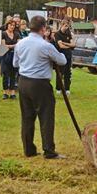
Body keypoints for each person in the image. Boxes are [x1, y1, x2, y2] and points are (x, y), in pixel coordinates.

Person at [15, 15, 67, 159]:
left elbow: (15, 64)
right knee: (46, 117)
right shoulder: (45, 46)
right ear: (43, 28)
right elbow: (62, 60)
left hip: (23, 81)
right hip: (40, 84)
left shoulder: (20, 43)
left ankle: (29, 150)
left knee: (27, 117)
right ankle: (49, 150)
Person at [53, 19, 75, 95]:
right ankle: (58, 88)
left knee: (68, 72)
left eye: (68, 26)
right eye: (65, 26)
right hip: (60, 55)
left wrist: (65, 43)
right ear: (62, 25)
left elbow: (73, 44)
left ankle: (67, 89)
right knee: (60, 72)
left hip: (68, 56)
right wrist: (69, 46)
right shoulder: (57, 34)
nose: (66, 28)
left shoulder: (69, 34)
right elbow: (60, 46)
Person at [0, 18, 20, 100]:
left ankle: (12, 92)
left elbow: (19, 45)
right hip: (5, 56)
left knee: (13, 74)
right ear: (7, 25)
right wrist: (13, 46)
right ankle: (5, 92)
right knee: (5, 74)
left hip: (14, 56)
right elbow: (3, 46)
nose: (12, 27)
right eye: (10, 25)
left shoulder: (17, 34)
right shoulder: (3, 34)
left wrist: (11, 46)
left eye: (13, 25)